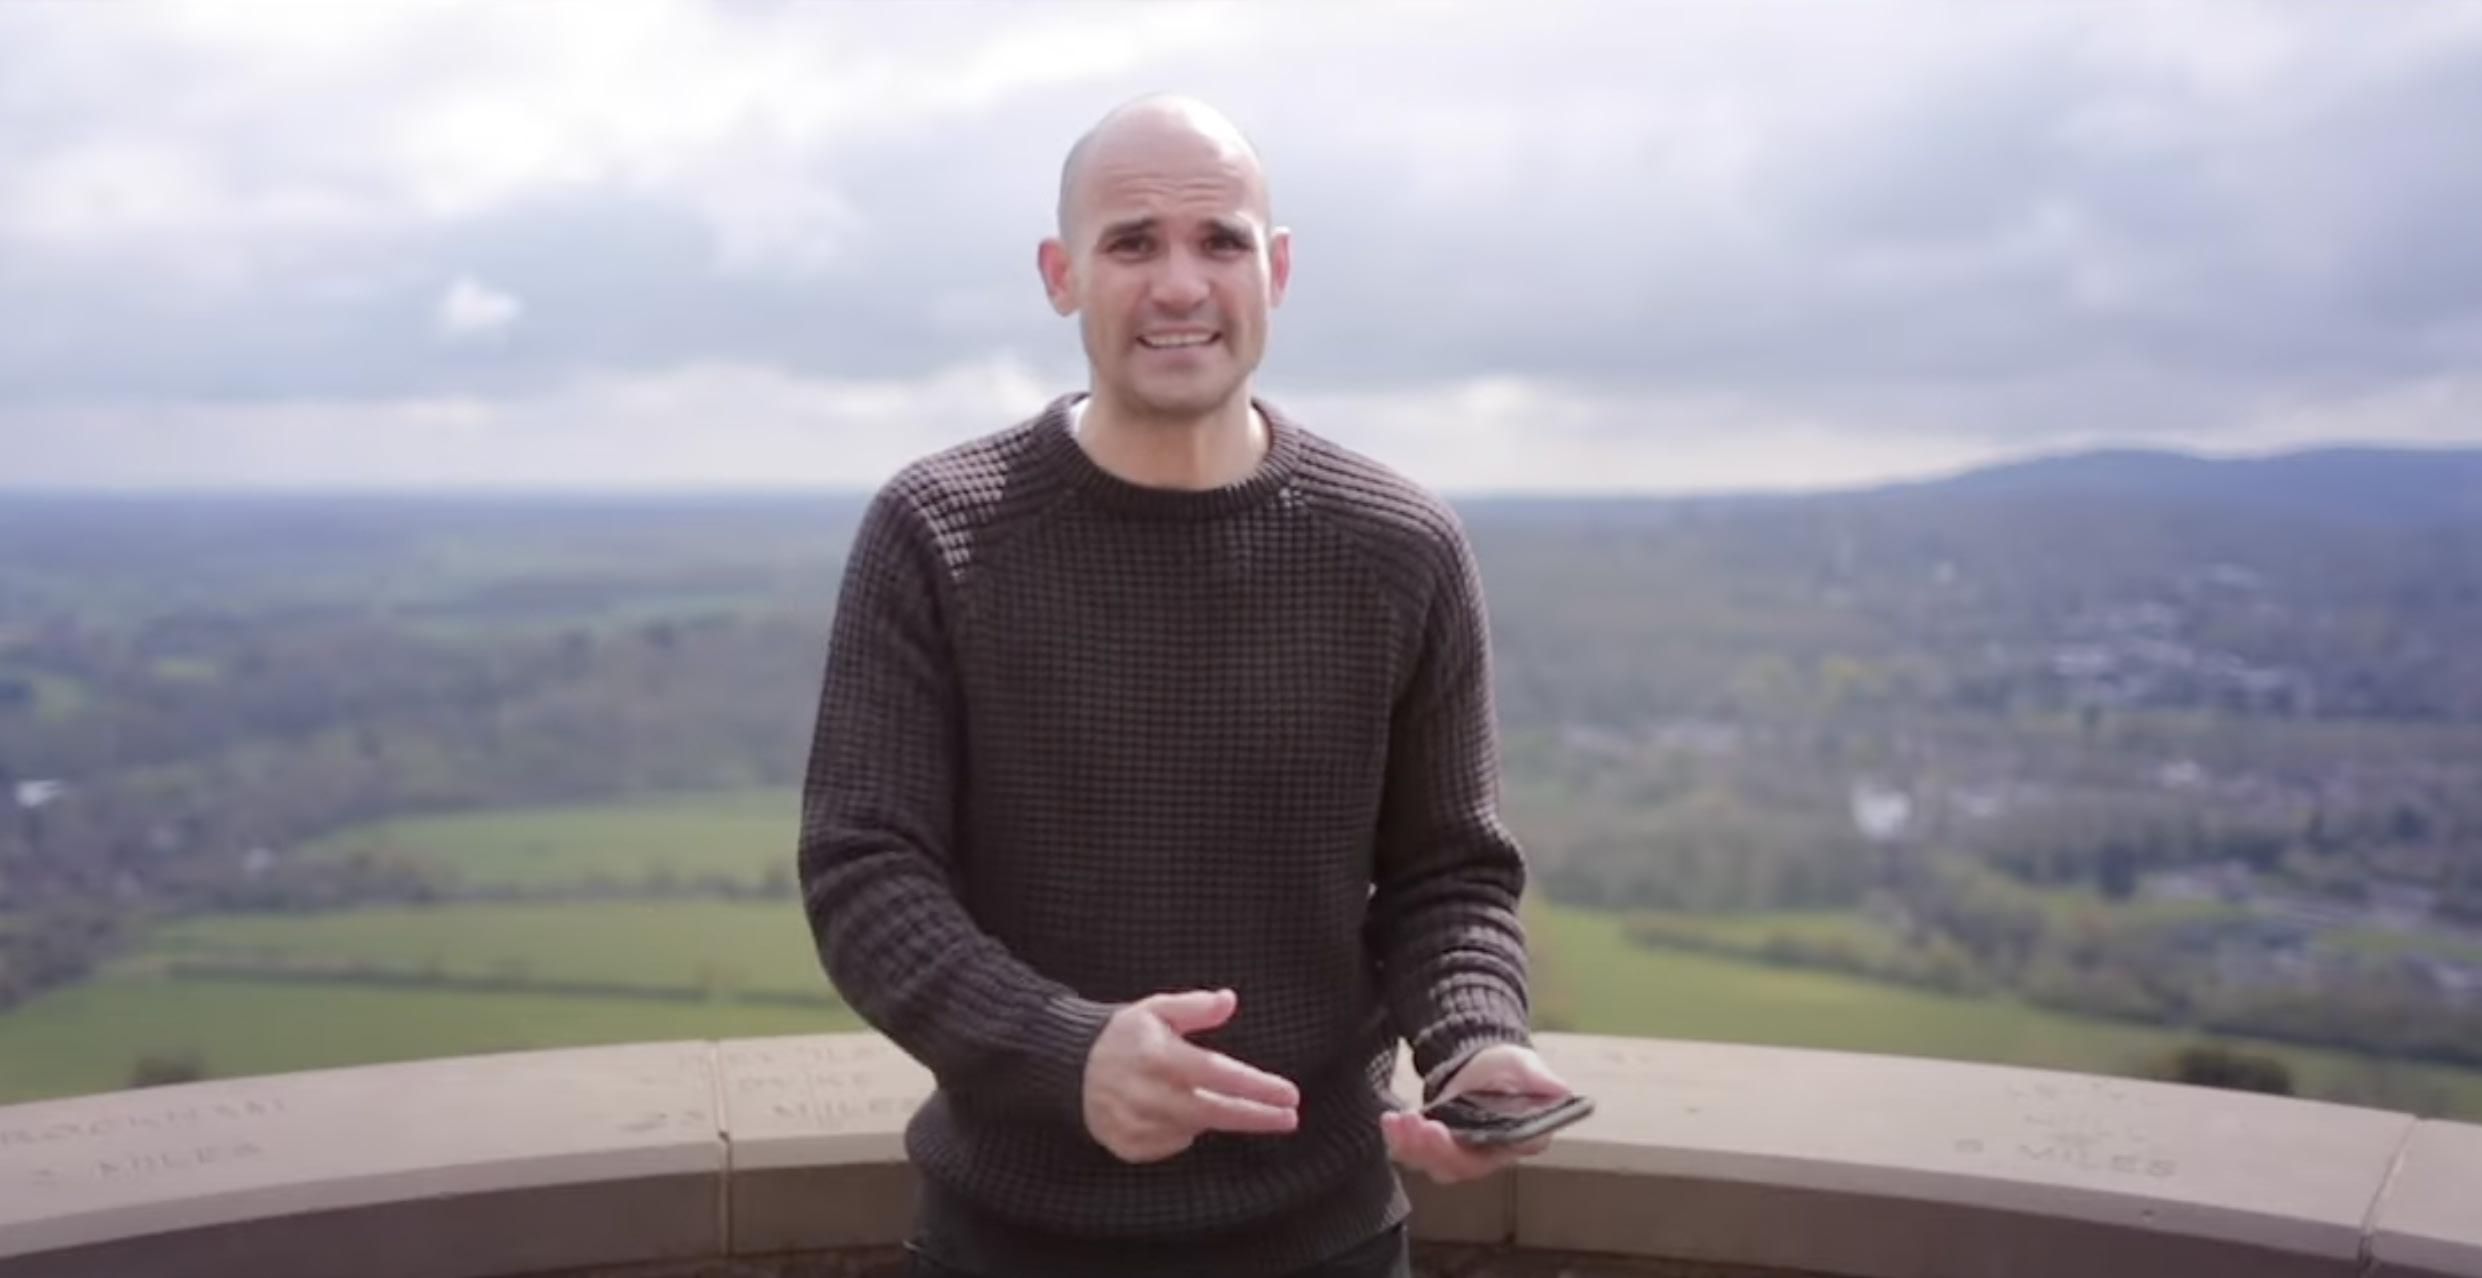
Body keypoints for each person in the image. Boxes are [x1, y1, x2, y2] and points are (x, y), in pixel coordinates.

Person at [797, 94, 1571, 1278]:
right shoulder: (937, 531)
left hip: (1327, 1239)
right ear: (1061, 275)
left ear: (1277, 270)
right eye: (1130, 243)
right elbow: (865, 872)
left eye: (1219, 241)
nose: (1178, 285)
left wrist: (1474, 1044)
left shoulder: (1399, 546)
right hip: (1008, 1243)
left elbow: (1447, 873)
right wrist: (1062, 1052)